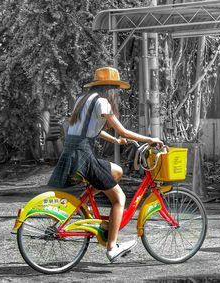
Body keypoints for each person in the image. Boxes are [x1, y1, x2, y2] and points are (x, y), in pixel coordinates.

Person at [48, 66, 164, 263]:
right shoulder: (103, 103)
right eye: (116, 89)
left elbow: (91, 129)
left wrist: (115, 141)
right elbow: (124, 131)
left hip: (72, 152)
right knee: (119, 198)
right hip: (83, 155)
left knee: (116, 172)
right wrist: (150, 139)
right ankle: (112, 247)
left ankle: (85, 202)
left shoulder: (82, 100)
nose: (117, 93)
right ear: (111, 88)